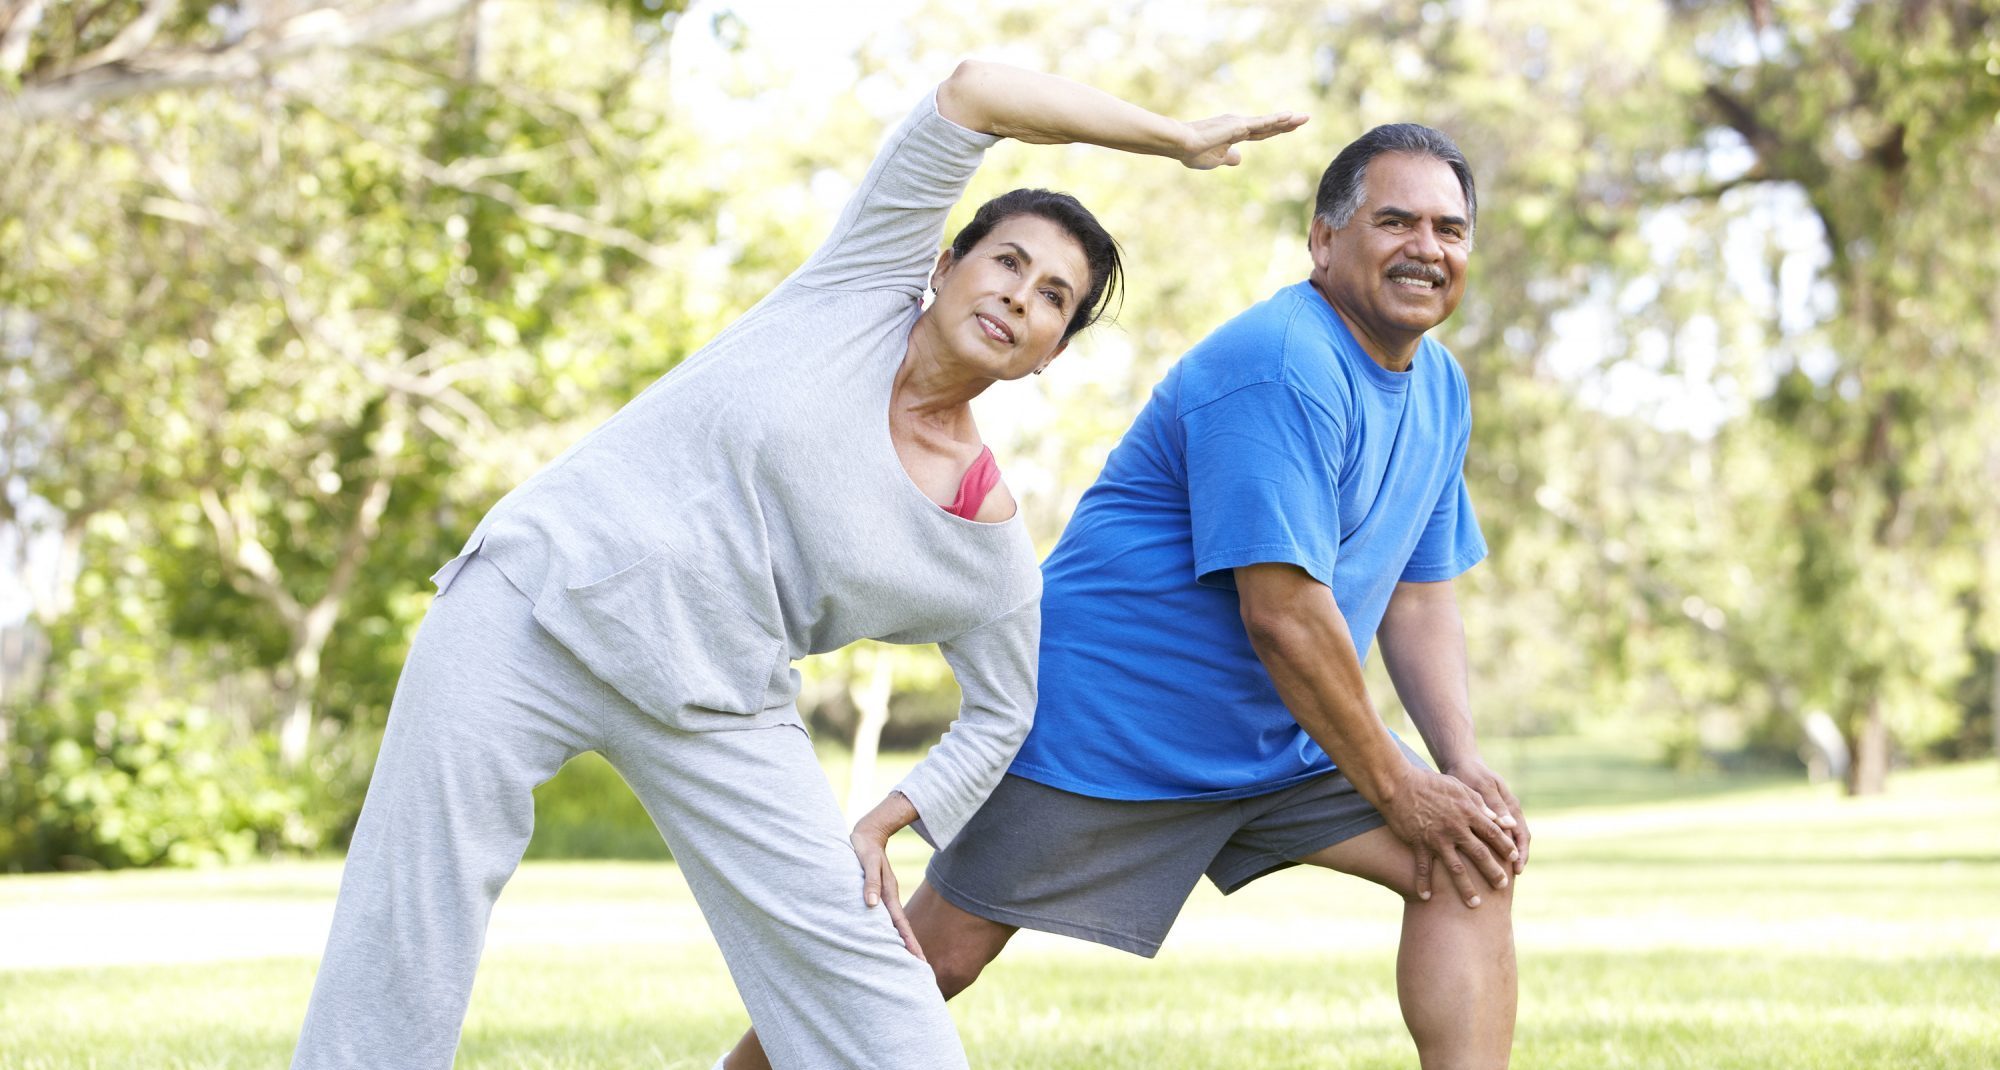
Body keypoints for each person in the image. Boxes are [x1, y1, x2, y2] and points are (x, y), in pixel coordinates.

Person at [288, 60, 1306, 1070]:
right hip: (532, 603)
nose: (1016, 296)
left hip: (714, 703)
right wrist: (1171, 138)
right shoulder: (858, 284)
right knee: (408, 921)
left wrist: (895, 814)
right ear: (948, 262)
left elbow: (1003, 708)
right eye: (1005, 260)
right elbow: (977, 89)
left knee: (873, 986)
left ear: (1046, 354)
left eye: (1051, 299)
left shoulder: (984, 537)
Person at [727, 124, 1525, 1070]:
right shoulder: (1280, 364)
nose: (1426, 248)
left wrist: (1458, 766)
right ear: (1323, 240)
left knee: (1468, 863)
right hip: (1105, 721)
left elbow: (1419, 594)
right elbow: (1283, 614)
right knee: (935, 961)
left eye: (1449, 228)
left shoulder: (1438, 388)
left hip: (1282, 730)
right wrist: (1403, 789)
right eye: (1395, 221)